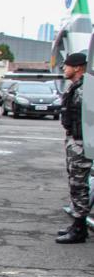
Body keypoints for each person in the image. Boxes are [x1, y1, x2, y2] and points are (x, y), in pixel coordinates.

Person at [56, 52, 91, 243]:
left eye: (67, 65)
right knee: (75, 183)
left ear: (77, 67)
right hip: (74, 140)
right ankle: (78, 225)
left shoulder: (87, 88)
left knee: (79, 184)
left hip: (82, 143)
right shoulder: (75, 86)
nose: (64, 68)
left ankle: (79, 229)